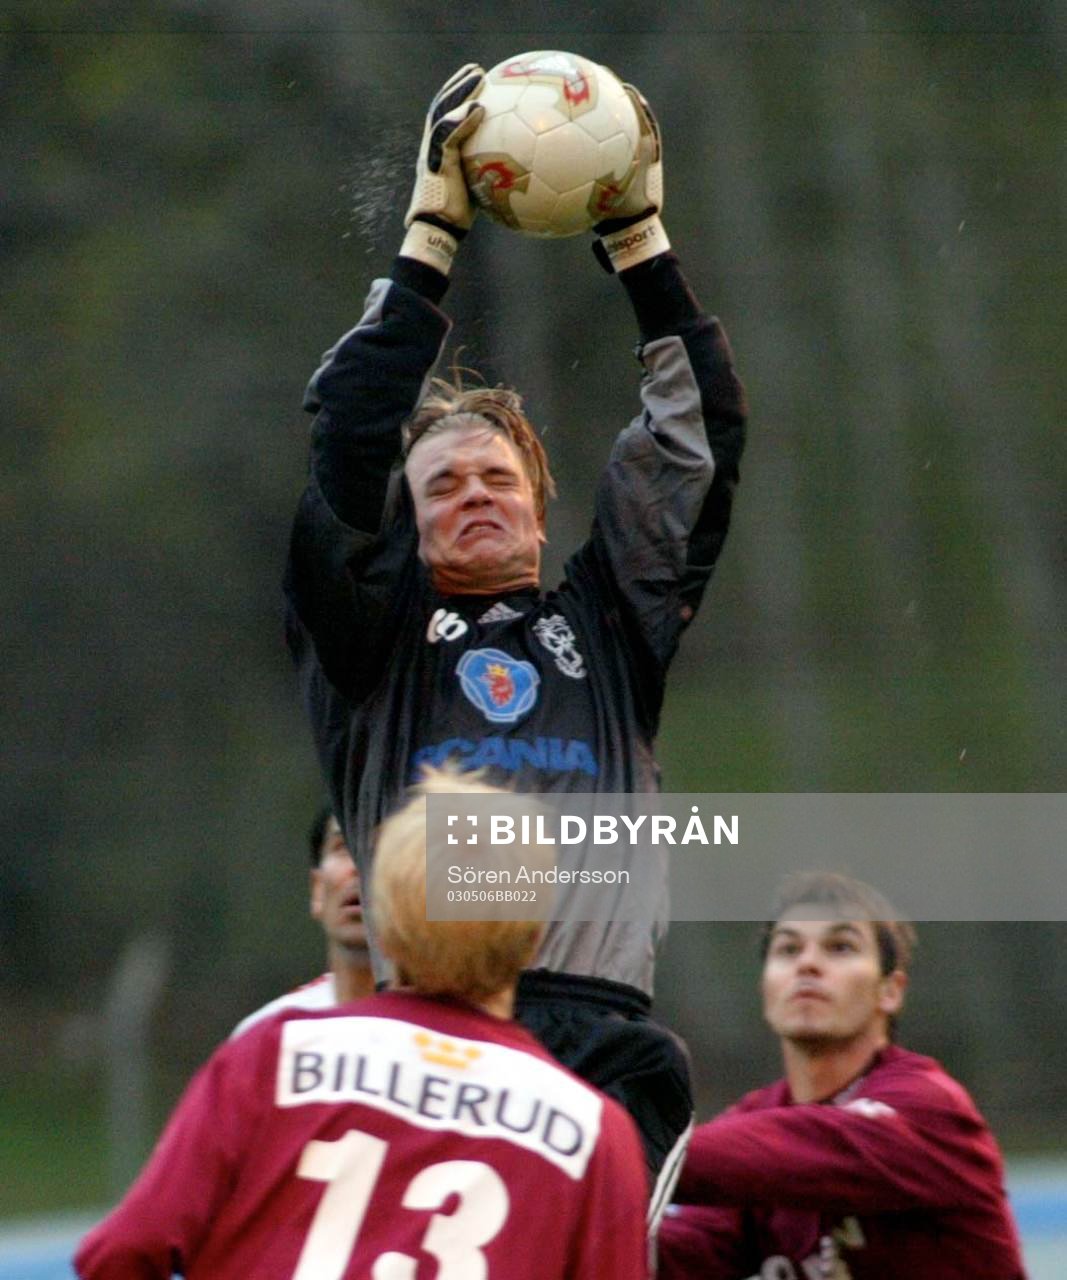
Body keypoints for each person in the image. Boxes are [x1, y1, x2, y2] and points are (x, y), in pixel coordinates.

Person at [284, 60, 747, 1208]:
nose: (474, 494)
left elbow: (695, 442)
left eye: (496, 477)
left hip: (604, 1045)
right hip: (436, 1040)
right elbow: (346, 445)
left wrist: (640, 246)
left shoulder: (609, 621)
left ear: (541, 510)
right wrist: (429, 236)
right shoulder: (370, 645)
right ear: (405, 520)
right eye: (441, 485)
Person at [74, 769, 649, 1280]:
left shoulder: (275, 1055)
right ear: (535, 935)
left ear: (386, 917)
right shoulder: (594, 1133)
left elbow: (122, 1252)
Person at [659, 872, 1028, 1280]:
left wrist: (622, 1144)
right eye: (788, 949)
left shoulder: (929, 1106)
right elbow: (676, 1253)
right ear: (765, 987)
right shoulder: (753, 1120)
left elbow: (802, 1149)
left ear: (891, 990)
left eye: (840, 946)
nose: (807, 963)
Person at [230, 806, 374, 1036]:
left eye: (384, 847)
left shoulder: (439, 1034)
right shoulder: (266, 1036)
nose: (359, 867)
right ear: (317, 889)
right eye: (343, 847)